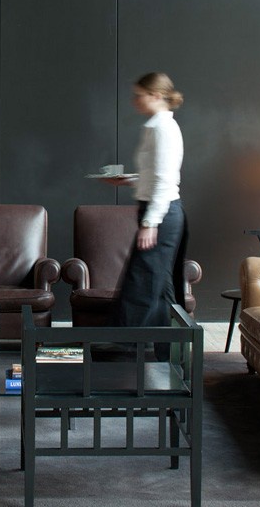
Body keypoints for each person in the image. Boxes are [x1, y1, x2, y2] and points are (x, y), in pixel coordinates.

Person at [102, 72, 188, 356]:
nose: (134, 101)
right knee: (160, 287)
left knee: (141, 282)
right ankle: (170, 356)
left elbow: (165, 181)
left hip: (162, 215)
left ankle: (121, 347)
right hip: (160, 211)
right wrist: (129, 180)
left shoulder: (163, 129)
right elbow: (154, 176)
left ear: (156, 95)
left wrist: (151, 223)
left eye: (139, 95)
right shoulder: (156, 126)